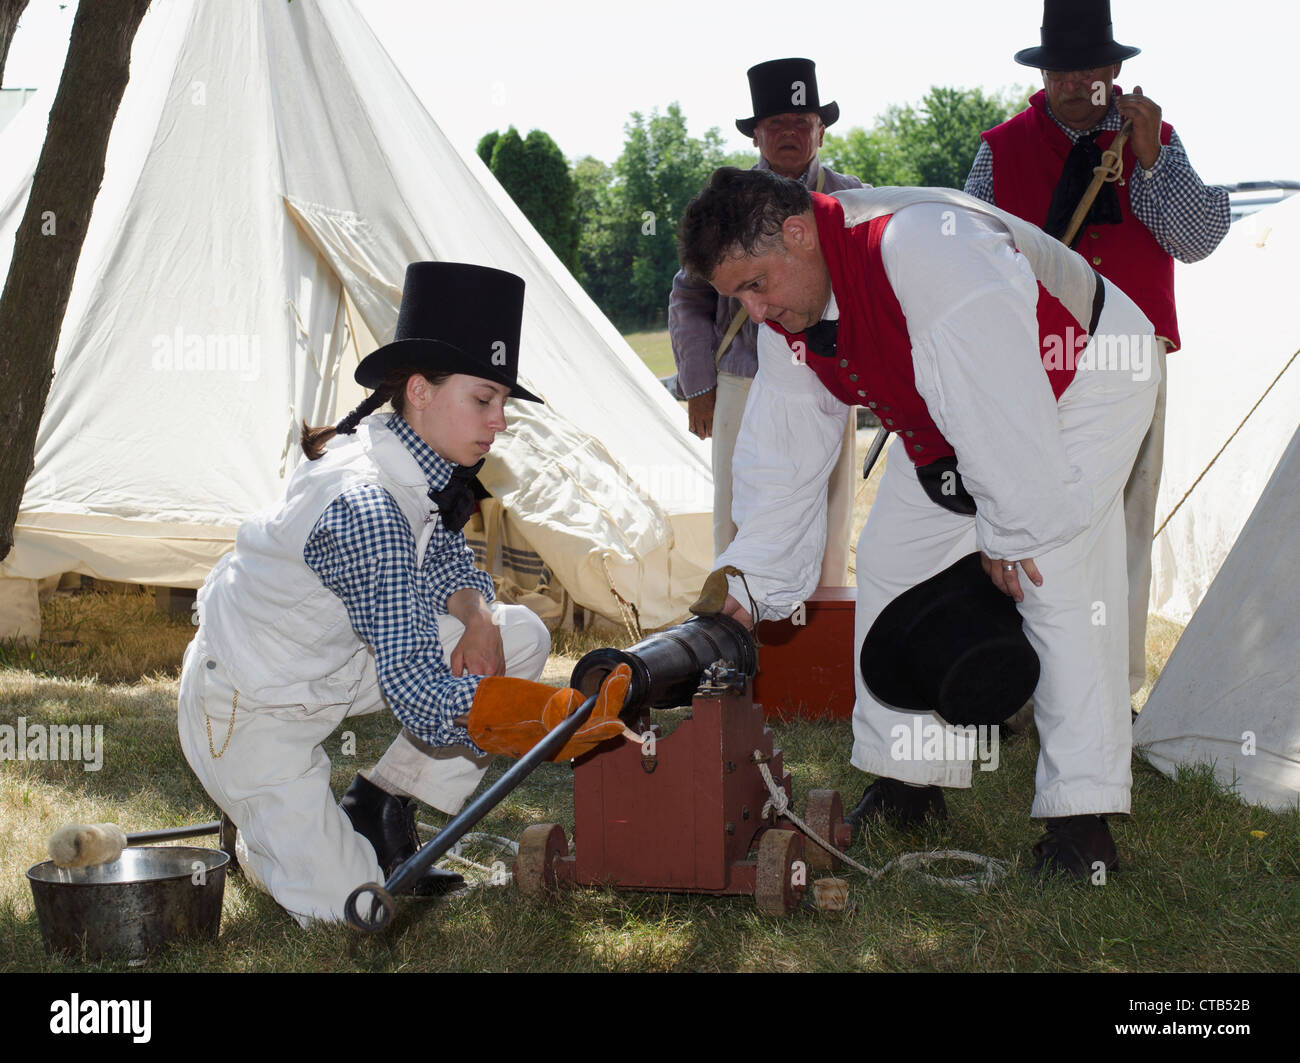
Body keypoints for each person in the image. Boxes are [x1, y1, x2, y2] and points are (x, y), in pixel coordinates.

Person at [678, 168, 1161, 876]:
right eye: (737, 296)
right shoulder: (791, 312)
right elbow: (783, 464)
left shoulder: (922, 246)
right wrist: (747, 589)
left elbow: (996, 392)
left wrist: (1012, 529)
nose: (753, 310)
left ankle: (1081, 821)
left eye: (756, 284)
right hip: (955, 409)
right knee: (892, 561)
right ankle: (910, 778)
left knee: (1054, 573)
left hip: (1086, 373)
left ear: (797, 232)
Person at [177, 262, 625, 925]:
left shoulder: (415, 461)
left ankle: (381, 805)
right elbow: (418, 694)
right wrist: (547, 716)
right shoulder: (364, 506)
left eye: (503, 401)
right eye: (484, 399)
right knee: (361, 912)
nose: (500, 420)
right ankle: (257, 836)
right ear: (420, 389)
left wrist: (475, 614)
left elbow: (445, 558)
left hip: (335, 664)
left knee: (517, 632)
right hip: (250, 705)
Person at [964, 0, 1229, 695]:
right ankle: (1023, 691)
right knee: (1028, 523)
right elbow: (968, 266)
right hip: (1034, 366)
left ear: (1115, 69)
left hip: (1132, 365)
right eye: (1060, 68)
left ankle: (1112, 692)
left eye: (1089, 66)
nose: (1075, 81)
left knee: (1125, 531)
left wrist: (1155, 162)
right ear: (1043, 72)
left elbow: (1197, 240)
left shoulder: (1154, 138)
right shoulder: (1000, 149)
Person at [669, 57, 863, 584]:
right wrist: (699, 385)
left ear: (820, 130)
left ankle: (820, 630)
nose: (789, 134)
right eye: (776, 124)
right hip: (744, 379)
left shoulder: (852, 197)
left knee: (830, 508)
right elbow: (688, 297)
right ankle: (734, 635)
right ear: (757, 135)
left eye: (801, 123)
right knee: (738, 512)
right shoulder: (726, 204)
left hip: (828, 376)